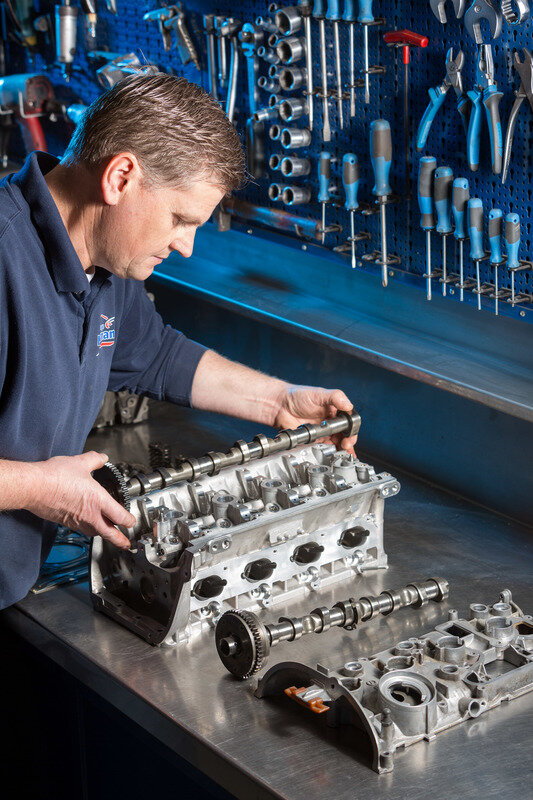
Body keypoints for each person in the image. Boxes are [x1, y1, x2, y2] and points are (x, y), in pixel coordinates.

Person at [0, 74, 356, 609]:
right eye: (180, 219)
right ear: (120, 177)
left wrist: (280, 402)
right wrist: (38, 488)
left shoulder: (106, 260)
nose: (186, 247)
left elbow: (158, 356)